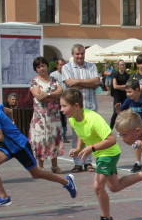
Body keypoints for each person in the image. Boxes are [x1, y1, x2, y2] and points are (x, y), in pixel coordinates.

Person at [0, 89, 77, 209]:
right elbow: (8, 110)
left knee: (36, 174)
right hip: (10, 146)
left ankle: (67, 182)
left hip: (20, 146)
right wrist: (11, 122)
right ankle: (3, 198)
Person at [61, 88, 134, 220]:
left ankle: (106, 219)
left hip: (109, 153)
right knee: (115, 187)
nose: (62, 110)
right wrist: (78, 148)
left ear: (76, 106)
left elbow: (112, 140)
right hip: (100, 154)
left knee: (97, 186)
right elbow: (82, 134)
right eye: (61, 106)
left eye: (64, 106)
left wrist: (91, 148)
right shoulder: (73, 119)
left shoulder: (93, 119)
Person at [61, 44, 101, 172]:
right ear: (73, 55)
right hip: (75, 108)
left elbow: (96, 83)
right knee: (77, 134)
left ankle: (88, 162)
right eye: (77, 54)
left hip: (90, 106)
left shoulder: (92, 66)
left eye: (82, 53)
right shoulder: (67, 67)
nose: (80, 56)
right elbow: (69, 84)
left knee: (90, 135)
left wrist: (77, 82)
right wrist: (87, 82)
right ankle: (78, 162)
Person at [29, 56, 64, 173]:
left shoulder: (54, 80)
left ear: (47, 66)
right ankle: (41, 165)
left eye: (43, 66)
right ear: (36, 69)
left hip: (53, 116)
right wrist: (52, 94)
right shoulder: (34, 81)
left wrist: (48, 94)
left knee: (54, 139)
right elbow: (39, 96)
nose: (41, 69)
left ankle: (55, 165)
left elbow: (60, 91)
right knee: (41, 140)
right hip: (40, 118)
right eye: (38, 67)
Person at [51, 58, 70, 141]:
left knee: (64, 118)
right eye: (61, 64)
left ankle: (64, 135)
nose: (62, 66)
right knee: (56, 118)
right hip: (56, 100)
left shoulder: (68, 74)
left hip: (66, 99)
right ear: (57, 65)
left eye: (64, 64)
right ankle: (56, 135)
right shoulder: (53, 75)